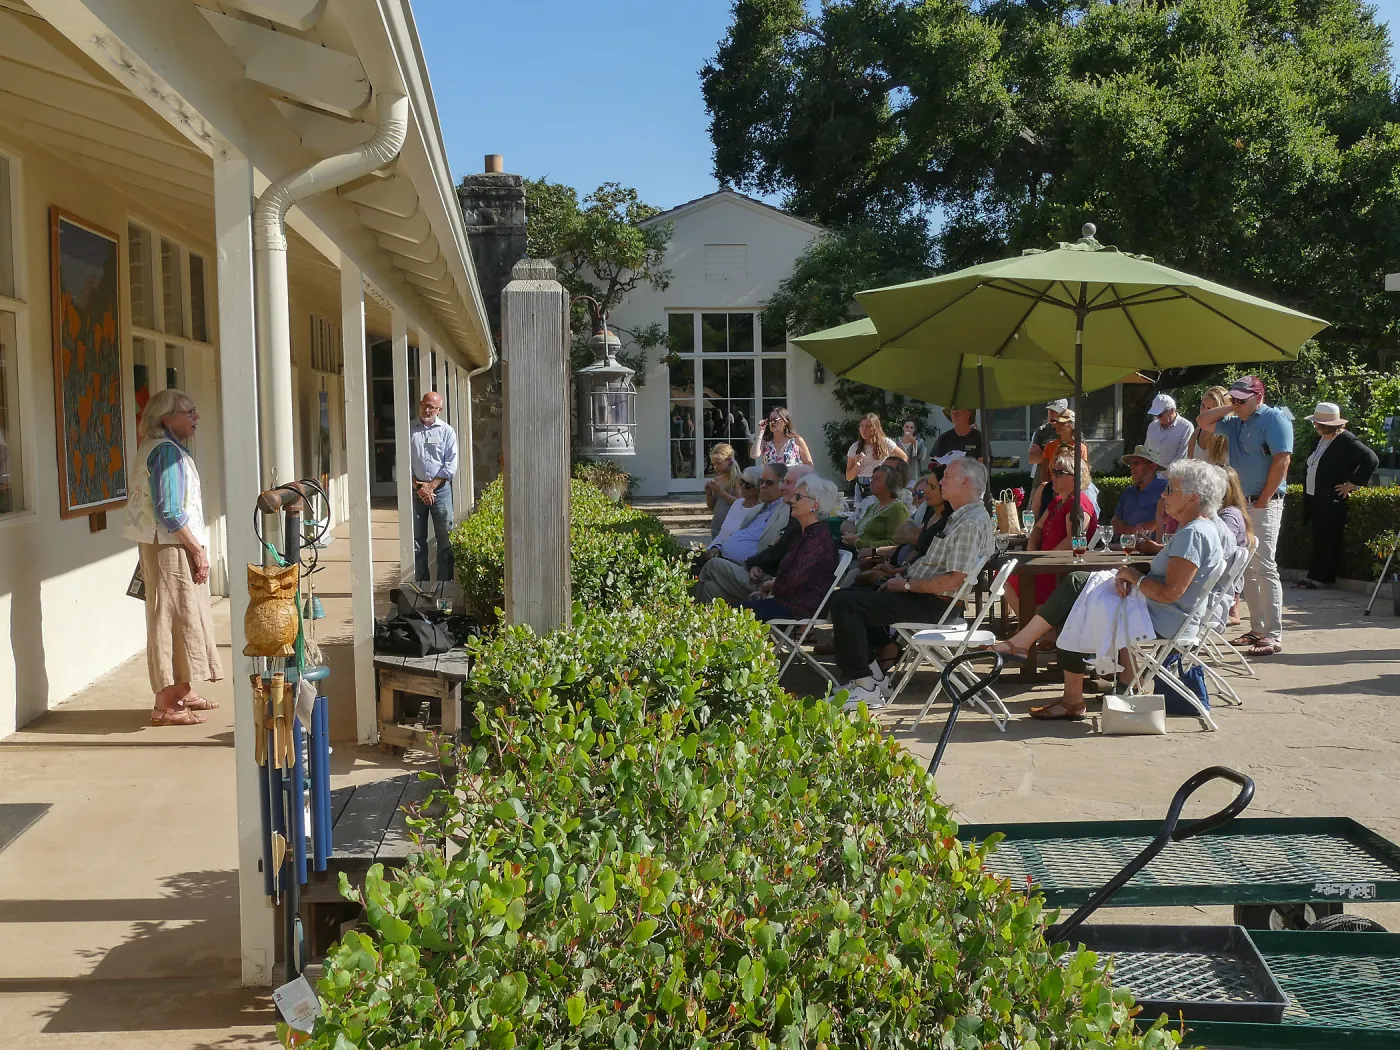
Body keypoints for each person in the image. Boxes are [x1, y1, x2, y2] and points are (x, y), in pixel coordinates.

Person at [989, 460, 1227, 720]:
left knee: (1079, 598)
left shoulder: (1193, 534)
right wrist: (1130, 577)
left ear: (1192, 498)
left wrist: (1133, 575)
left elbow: (1170, 593)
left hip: (1163, 619)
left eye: (1170, 490)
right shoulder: (1197, 530)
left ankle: (1048, 673)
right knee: (1081, 593)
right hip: (1159, 613)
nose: (1163, 494)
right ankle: (1035, 657)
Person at [830, 457, 995, 710]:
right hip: (927, 597)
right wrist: (900, 577)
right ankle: (873, 677)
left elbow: (953, 579)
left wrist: (905, 585)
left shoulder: (970, 523)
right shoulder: (961, 517)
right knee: (857, 591)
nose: (941, 482)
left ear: (965, 481)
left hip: (937, 605)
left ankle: (865, 686)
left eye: (947, 477)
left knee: (845, 603)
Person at [123, 388, 224, 727]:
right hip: (170, 547)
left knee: (185, 616)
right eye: (188, 411)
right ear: (166, 418)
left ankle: (182, 688)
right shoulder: (166, 453)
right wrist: (197, 550)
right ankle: (166, 703)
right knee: (173, 619)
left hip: (166, 544)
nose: (196, 416)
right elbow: (169, 511)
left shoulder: (161, 448)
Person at [1197, 376, 1292, 656]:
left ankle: (1273, 634)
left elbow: (1282, 460)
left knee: (1265, 567)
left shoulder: (1274, 419)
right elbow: (1203, 421)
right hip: (1242, 503)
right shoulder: (1236, 420)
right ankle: (1258, 628)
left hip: (1264, 503)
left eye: (1242, 399)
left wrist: (1262, 499)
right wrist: (1231, 407)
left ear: (1258, 398)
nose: (1237, 403)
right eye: (1234, 398)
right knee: (1247, 567)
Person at [1005, 453, 1098, 618]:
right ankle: (1033, 627)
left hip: (1060, 568)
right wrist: (1032, 554)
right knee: (1004, 574)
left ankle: (1032, 628)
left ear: (1075, 478)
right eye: (1053, 471)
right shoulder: (1057, 501)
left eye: (1059, 473)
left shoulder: (1078, 503)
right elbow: (1037, 529)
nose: (1052, 476)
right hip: (1043, 562)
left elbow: (1073, 541)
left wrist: (1044, 560)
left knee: (1008, 578)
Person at [1299, 402, 1379, 589]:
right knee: (1318, 537)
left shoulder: (1347, 441)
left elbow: (1371, 459)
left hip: (1330, 498)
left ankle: (1323, 578)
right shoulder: (1318, 440)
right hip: (1315, 496)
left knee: (1328, 538)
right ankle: (1313, 574)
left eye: (1317, 423)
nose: (1314, 426)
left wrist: (1352, 484)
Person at [740, 475, 842, 622]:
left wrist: (771, 586)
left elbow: (794, 580)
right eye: (794, 496)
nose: (792, 500)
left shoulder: (817, 539)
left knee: (728, 614)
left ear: (815, 505)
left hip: (798, 607)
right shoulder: (806, 533)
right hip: (786, 601)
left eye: (798, 497)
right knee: (728, 611)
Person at [693, 464, 791, 600]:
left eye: (768, 483)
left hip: (753, 572)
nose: (763, 486)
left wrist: (757, 564)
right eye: (761, 481)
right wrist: (718, 546)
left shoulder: (785, 510)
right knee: (710, 588)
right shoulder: (760, 509)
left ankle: (683, 608)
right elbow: (729, 534)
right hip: (729, 561)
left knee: (709, 566)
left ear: (782, 485)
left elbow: (776, 547)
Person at [409, 391, 458, 584]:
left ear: (440, 410)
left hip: (441, 490)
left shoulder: (447, 431)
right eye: (425, 405)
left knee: (445, 540)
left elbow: (451, 464)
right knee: (417, 541)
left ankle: (444, 586)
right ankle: (422, 585)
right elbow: (403, 461)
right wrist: (419, 487)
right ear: (420, 404)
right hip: (415, 490)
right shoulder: (409, 430)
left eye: (432, 407)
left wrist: (431, 487)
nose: (427, 409)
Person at [841, 465, 911, 549]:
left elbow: (894, 543)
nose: (871, 482)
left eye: (876, 479)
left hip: (875, 558)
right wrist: (850, 538)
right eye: (872, 478)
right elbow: (860, 532)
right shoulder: (873, 507)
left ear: (890, 484)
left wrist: (859, 543)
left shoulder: (897, 508)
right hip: (859, 553)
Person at [846, 413, 905, 499]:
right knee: (861, 512)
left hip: (881, 484)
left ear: (875, 428)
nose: (864, 429)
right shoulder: (855, 447)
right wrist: (857, 464)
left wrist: (891, 474)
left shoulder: (885, 443)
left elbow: (903, 458)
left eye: (867, 426)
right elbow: (849, 477)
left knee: (880, 510)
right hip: (862, 486)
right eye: (861, 426)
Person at [1111, 446, 1168, 535]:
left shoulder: (1166, 488)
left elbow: (1177, 516)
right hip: (1125, 546)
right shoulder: (1128, 492)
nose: (1131, 467)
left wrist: (1151, 525)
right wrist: (1129, 529)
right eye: (1130, 464)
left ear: (1152, 467)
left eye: (1136, 463)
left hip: (1154, 546)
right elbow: (1115, 521)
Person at [712, 467, 764, 549]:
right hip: (720, 549)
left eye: (747, 485)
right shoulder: (737, 503)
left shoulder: (761, 511)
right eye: (741, 482)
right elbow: (722, 534)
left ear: (757, 488)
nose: (742, 486)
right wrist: (714, 547)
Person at [1143, 393, 1194, 469]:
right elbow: (1146, 451)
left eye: (1160, 415)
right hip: (1152, 476)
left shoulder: (1186, 427)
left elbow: (1182, 457)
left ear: (1172, 410)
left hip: (1173, 476)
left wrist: (1165, 474)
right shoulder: (1152, 426)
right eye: (1155, 415)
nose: (1157, 418)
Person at [704, 443, 744, 537]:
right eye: (713, 464)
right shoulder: (717, 479)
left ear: (729, 460)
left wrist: (721, 492)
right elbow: (711, 507)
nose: (716, 467)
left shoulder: (738, 478)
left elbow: (740, 503)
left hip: (733, 526)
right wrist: (709, 494)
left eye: (719, 463)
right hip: (717, 524)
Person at [1027, 399, 1069, 486]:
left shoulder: (1069, 431)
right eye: (1049, 410)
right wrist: (1054, 457)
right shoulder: (1041, 431)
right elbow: (1032, 459)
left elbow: (1069, 459)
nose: (1051, 413)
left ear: (1064, 411)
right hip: (1041, 482)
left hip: (1063, 481)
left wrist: (1043, 455)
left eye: (1054, 410)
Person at [1188, 386, 1230, 464]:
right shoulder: (1197, 432)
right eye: (1202, 405)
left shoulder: (1228, 436)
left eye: (1210, 409)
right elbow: (1189, 463)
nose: (1204, 412)